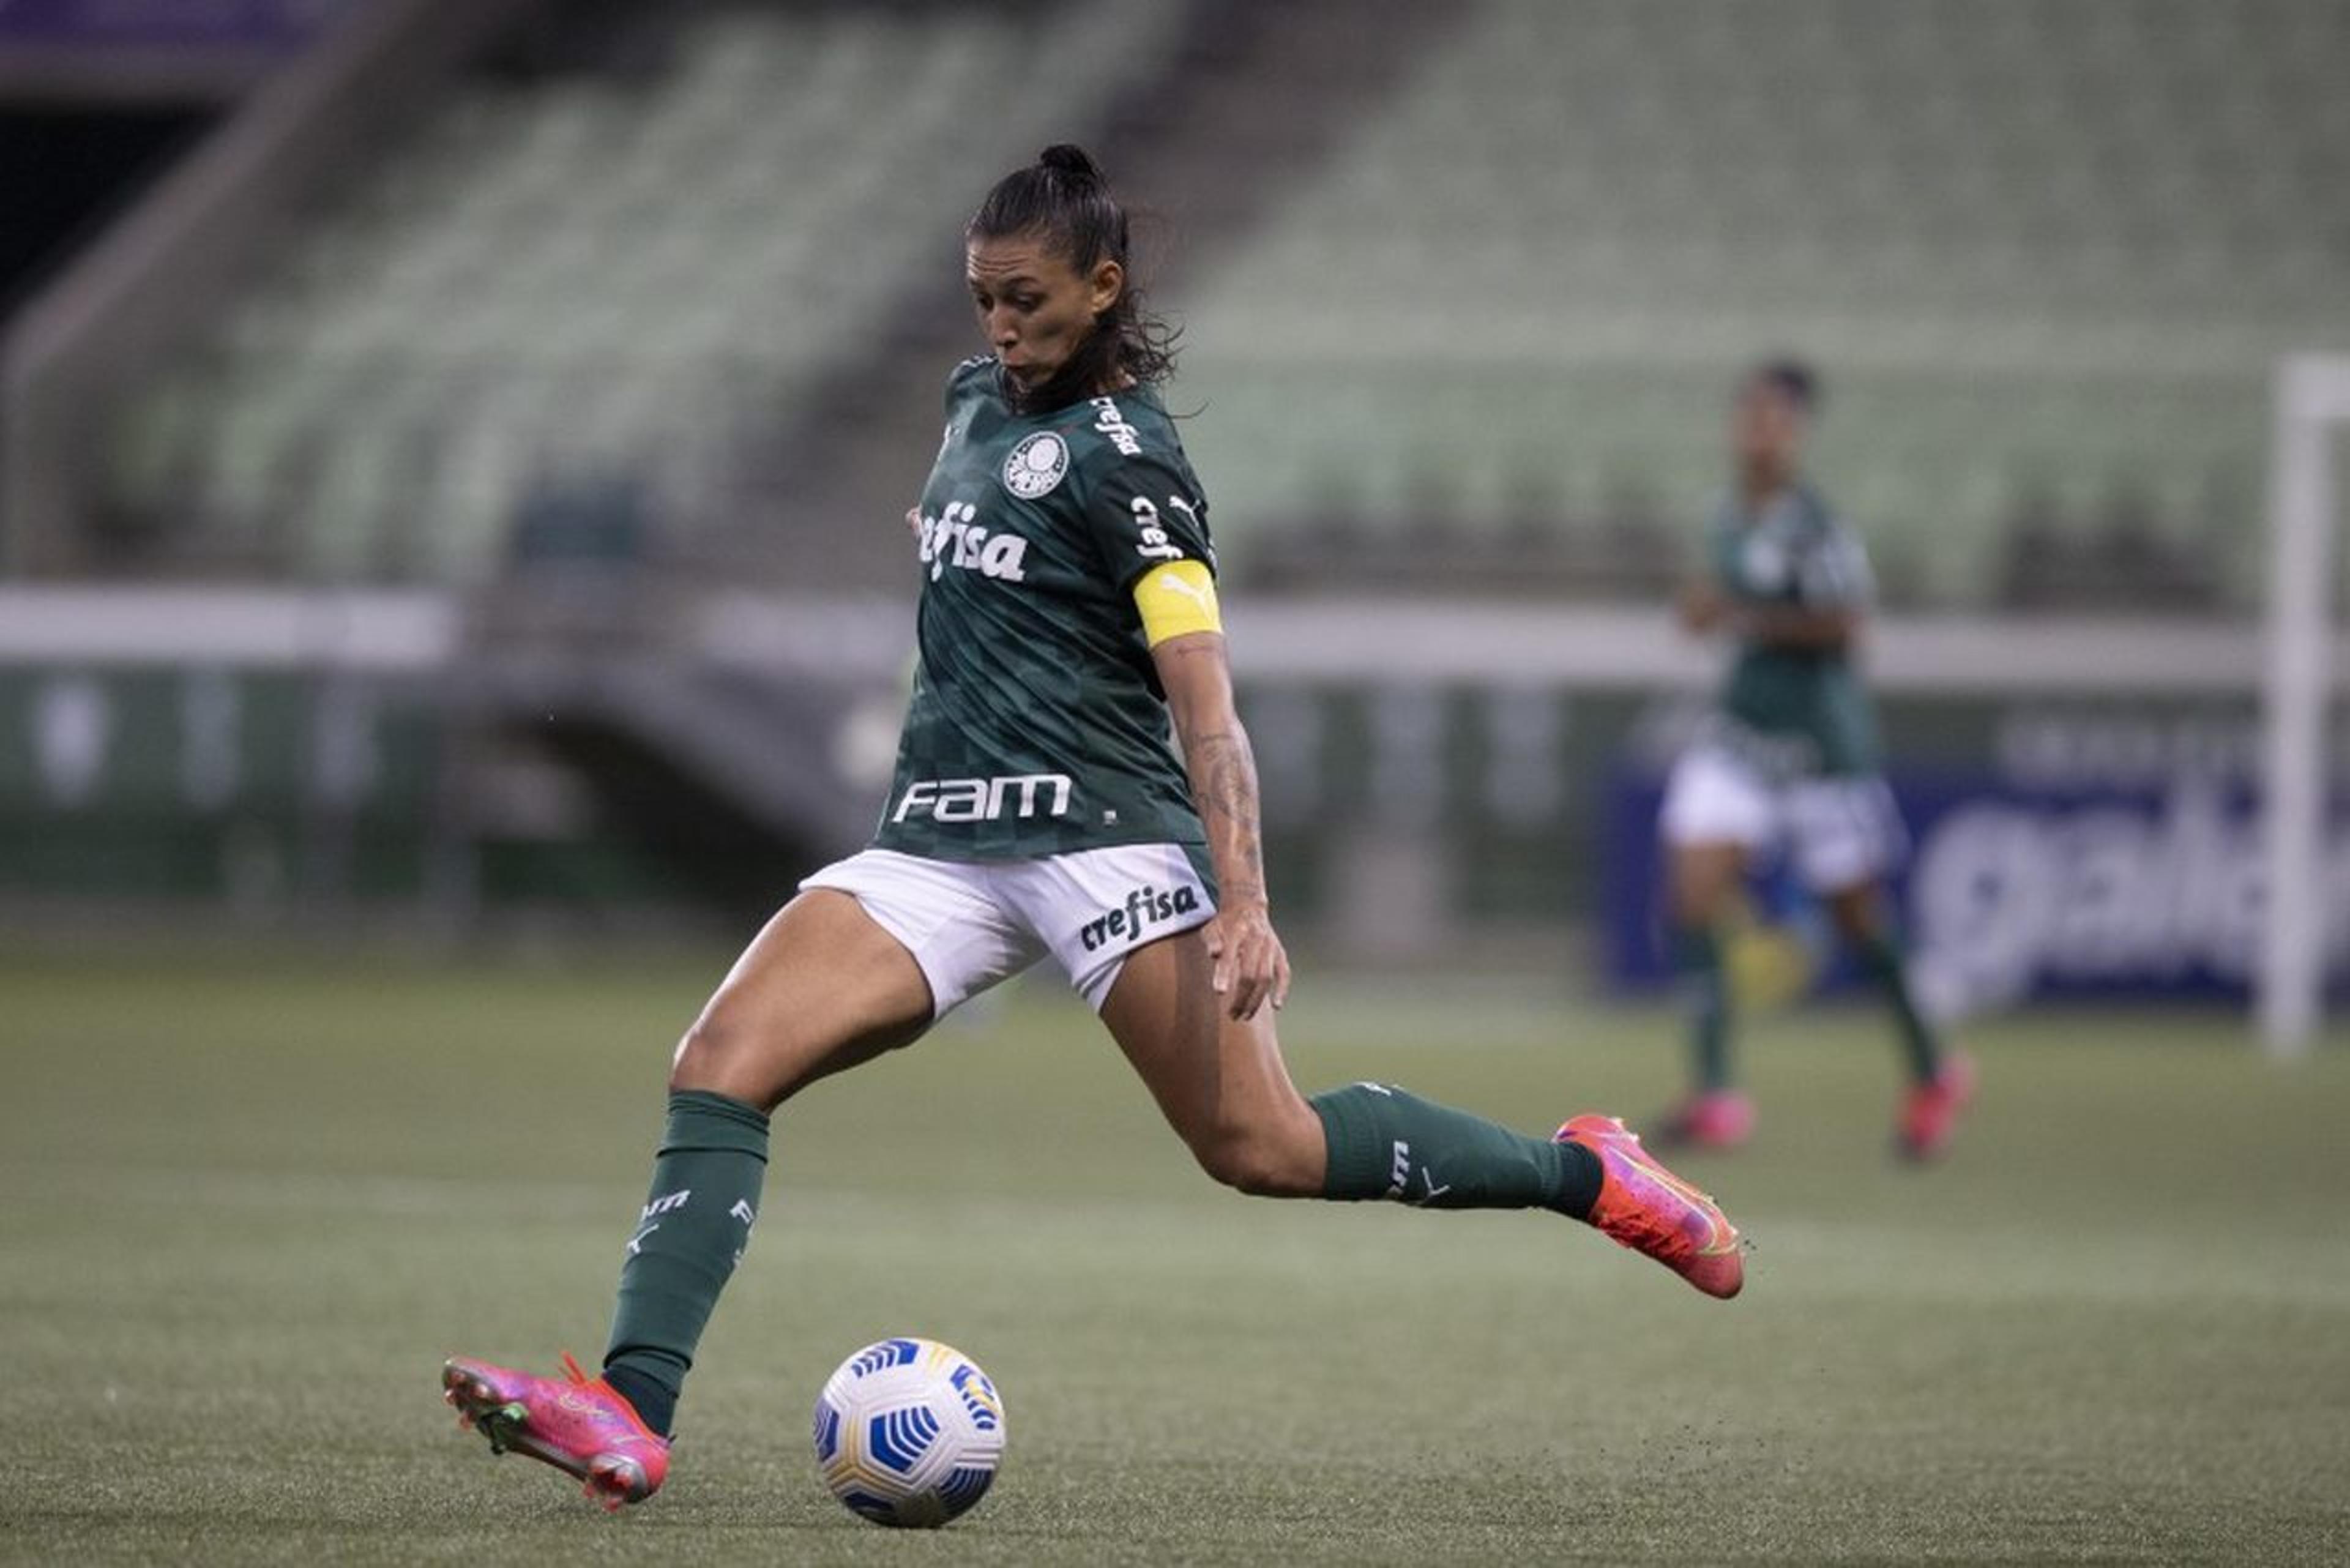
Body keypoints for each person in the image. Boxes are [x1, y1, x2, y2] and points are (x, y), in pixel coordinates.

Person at [441, 146, 1744, 1512]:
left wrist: (1242, 897)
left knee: (1264, 1148)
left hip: (1104, 836)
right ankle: (629, 1412)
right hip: (939, 842)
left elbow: (1206, 697)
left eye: (1026, 299)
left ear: (1103, 286)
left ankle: (1584, 1173)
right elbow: (985, 528)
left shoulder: (1135, 462)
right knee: (719, 1061)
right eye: (981, 298)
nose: (999, 326)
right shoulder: (969, 406)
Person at [1655, 359, 1974, 1159]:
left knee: (1859, 921)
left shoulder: (1815, 525)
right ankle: (1718, 1089)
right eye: (1749, 416)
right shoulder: (1728, 515)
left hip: (1821, 750)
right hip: (1742, 737)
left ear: (1796, 434)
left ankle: (1933, 1067)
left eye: (1774, 419)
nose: (1758, 432)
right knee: (1693, 888)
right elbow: (1713, 610)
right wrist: (1704, 614)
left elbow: (1845, 626)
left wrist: (1744, 615)